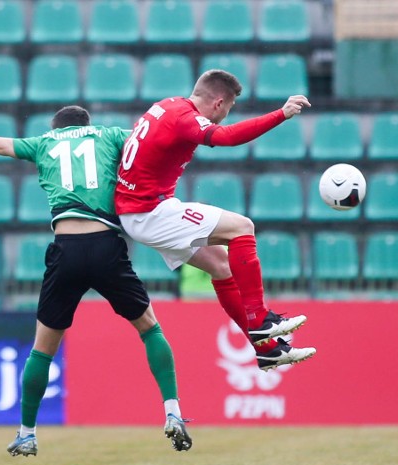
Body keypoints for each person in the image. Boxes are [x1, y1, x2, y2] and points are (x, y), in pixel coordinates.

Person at [0, 105, 192, 456]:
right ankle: (172, 411)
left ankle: (26, 433)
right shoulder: (110, 135)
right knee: (149, 329)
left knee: (43, 349)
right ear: (87, 124)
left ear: (56, 127)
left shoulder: (45, 142)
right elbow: (152, 145)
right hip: (106, 245)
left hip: (66, 248)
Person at [115, 70, 317, 369]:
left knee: (222, 266)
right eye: (229, 108)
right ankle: (260, 319)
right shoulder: (185, 118)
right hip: (150, 211)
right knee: (242, 227)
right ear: (219, 103)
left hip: (139, 211)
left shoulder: (166, 105)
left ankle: (266, 350)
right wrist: (281, 114)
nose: (225, 115)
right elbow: (228, 137)